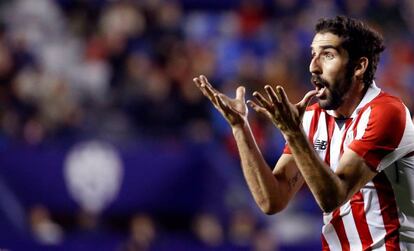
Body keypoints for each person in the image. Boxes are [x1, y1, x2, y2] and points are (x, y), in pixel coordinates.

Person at [193, 16, 414, 250]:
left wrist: (293, 133)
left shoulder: (387, 112)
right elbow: (272, 200)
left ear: (359, 66)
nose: (313, 66)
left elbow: (333, 197)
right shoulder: (314, 117)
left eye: (328, 55)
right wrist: (240, 128)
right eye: (313, 55)